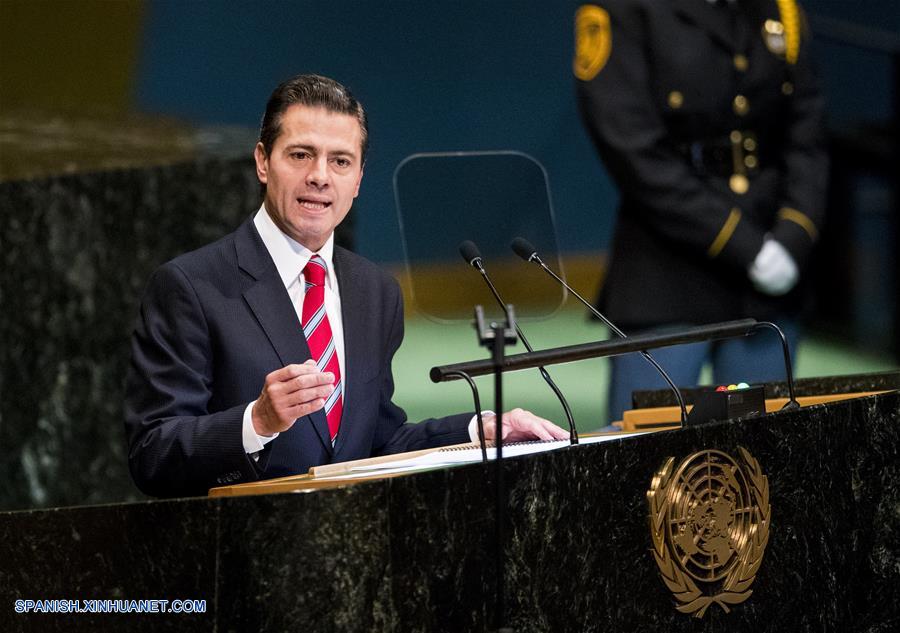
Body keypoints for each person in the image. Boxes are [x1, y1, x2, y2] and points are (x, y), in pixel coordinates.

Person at [125, 74, 567, 497]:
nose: (320, 176)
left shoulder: (374, 292)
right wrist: (255, 421)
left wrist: (480, 429)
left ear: (357, 179)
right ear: (263, 161)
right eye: (300, 155)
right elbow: (153, 453)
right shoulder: (191, 286)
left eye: (340, 161)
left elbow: (379, 442)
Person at [573, 0, 828, 423]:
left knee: (764, 460)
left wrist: (793, 234)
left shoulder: (780, 9)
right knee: (648, 459)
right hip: (667, 271)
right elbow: (633, 151)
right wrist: (747, 247)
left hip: (767, 281)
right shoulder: (624, 9)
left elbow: (808, 137)